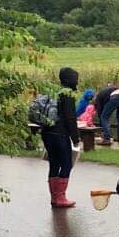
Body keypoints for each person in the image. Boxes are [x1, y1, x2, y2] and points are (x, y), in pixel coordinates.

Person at [41, 67, 80, 209]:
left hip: (46, 132)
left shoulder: (53, 92)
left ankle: (54, 197)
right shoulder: (68, 94)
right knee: (66, 164)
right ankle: (61, 197)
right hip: (60, 133)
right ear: (72, 80)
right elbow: (70, 118)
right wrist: (75, 138)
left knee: (54, 164)